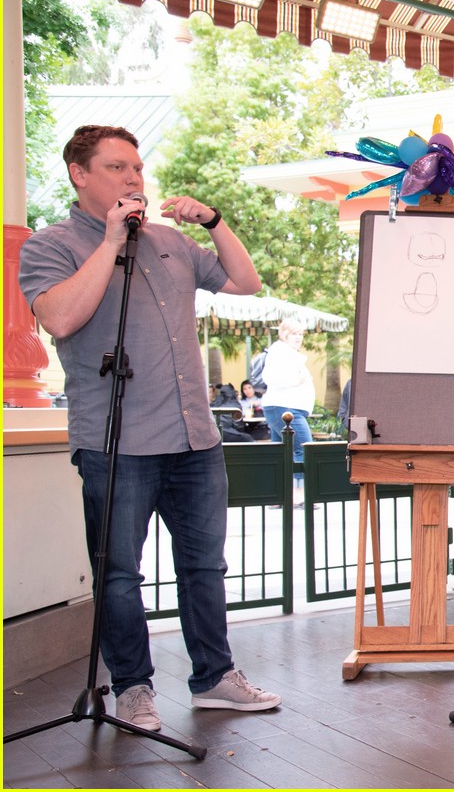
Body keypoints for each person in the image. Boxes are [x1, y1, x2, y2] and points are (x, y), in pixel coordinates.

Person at [17, 124, 280, 732]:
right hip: (117, 443)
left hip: (194, 439)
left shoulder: (169, 241)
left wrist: (214, 221)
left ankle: (214, 677)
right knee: (117, 574)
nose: (133, 178)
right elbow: (58, 319)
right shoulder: (51, 245)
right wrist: (110, 241)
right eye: (116, 168)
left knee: (205, 567)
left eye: (136, 167)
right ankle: (133, 688)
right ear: (80, 175)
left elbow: (245, 282)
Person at [261, 317, 315, 490]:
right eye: (294, 334)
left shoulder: (284, 352)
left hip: (283, 407)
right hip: (287, 409)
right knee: (304, 450)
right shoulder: (281, 352)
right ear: (284, 334)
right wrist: (296, 380)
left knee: (282, 453)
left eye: (300, 334)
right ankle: (299, 494)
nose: (298, 337)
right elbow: (270, 377)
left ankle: (280, 494)